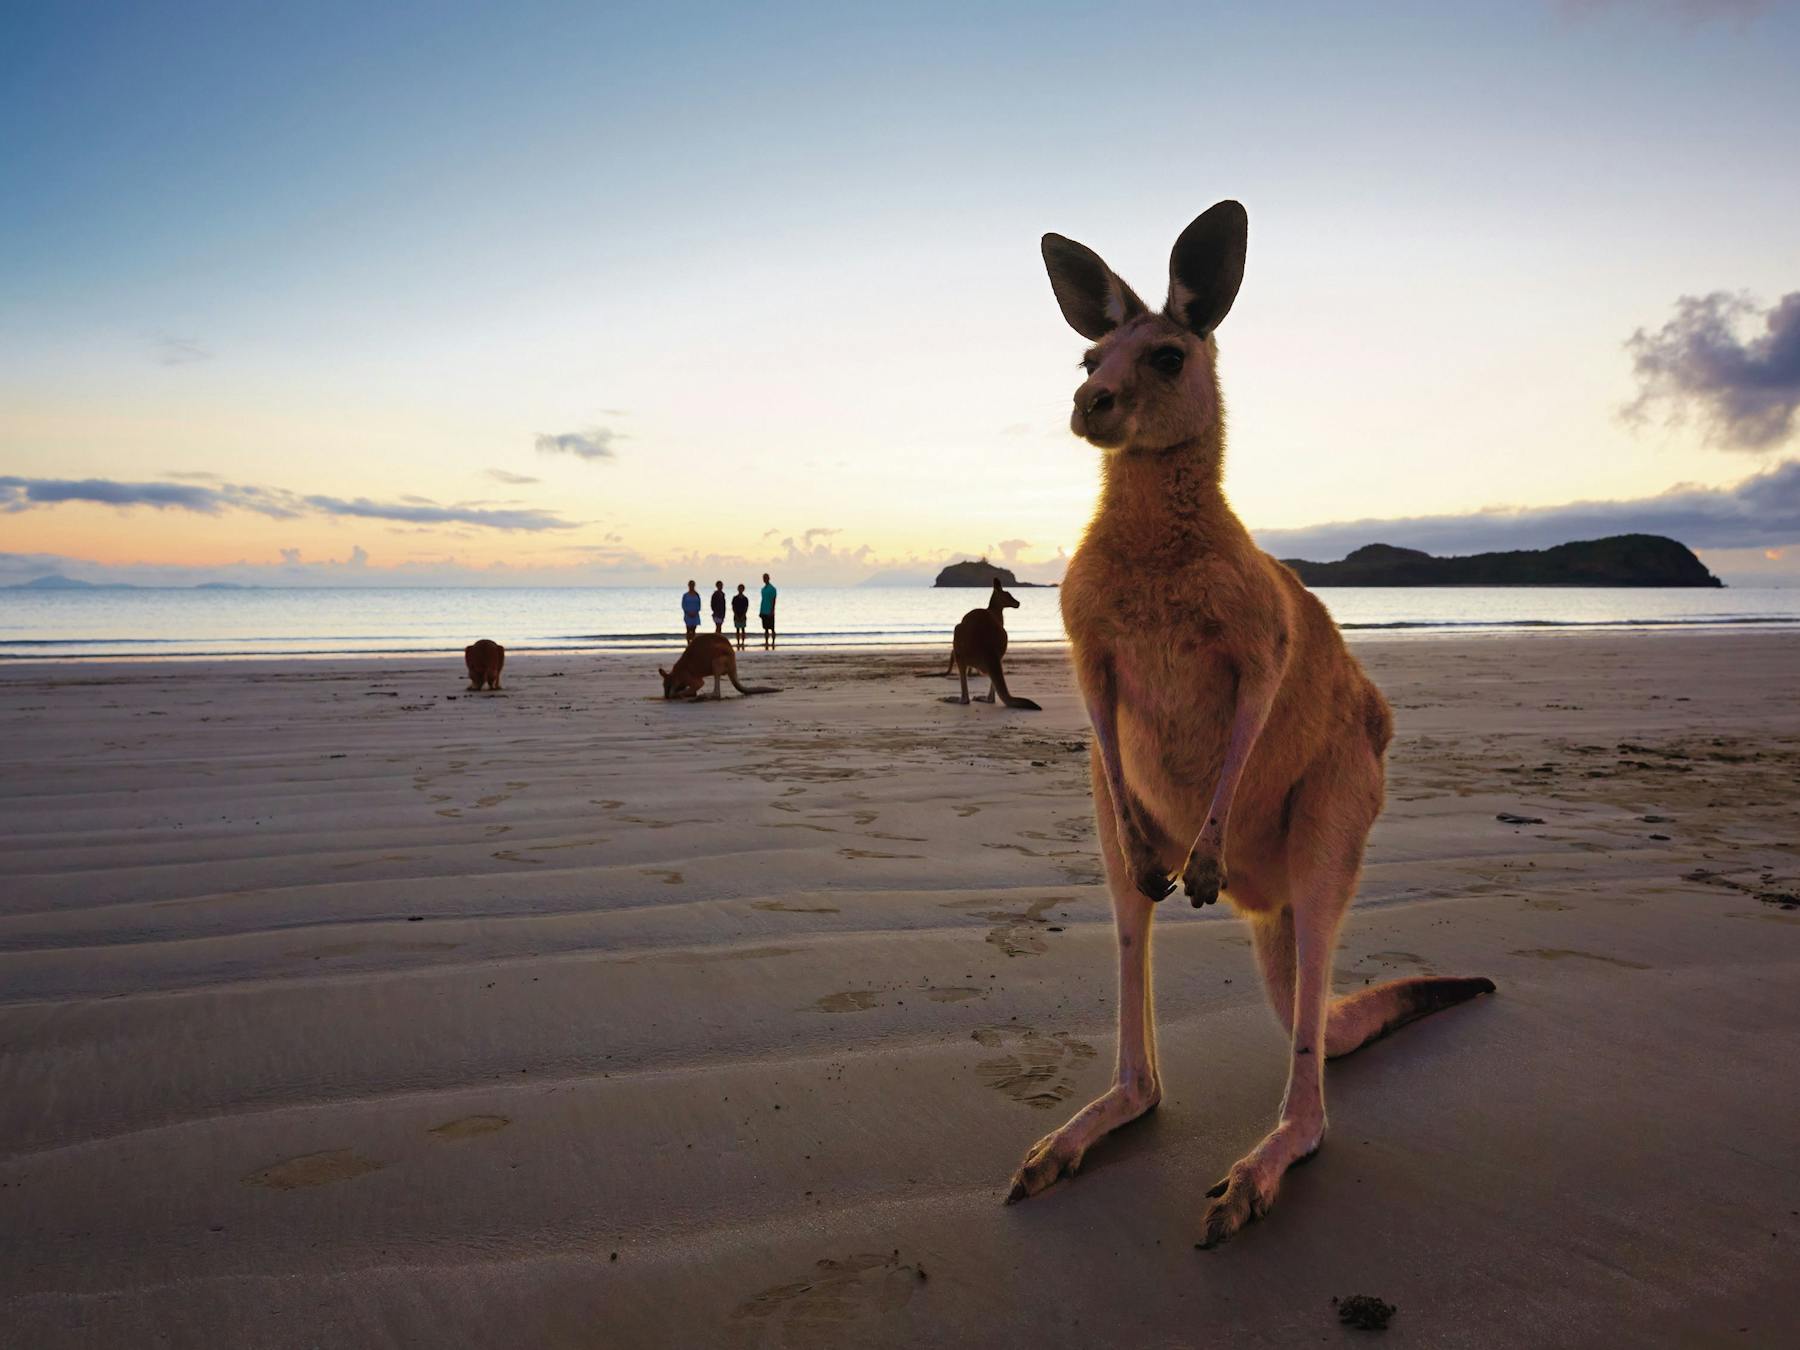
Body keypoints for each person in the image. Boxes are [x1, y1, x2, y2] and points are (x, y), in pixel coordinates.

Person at [758, 572, 778, 650]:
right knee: (765, 628)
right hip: (764, 611)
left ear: (768, 578)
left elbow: (774, 600)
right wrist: (760, 611)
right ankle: (766, 642)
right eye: (764, 578)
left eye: (766, 578)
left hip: (770, 611)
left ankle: (773, 642)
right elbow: (762, 600)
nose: (765, 579)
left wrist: (772, 610)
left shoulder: (772, 589)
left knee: (772, 628)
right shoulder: (763, 589)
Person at [731, 583, 750, 650]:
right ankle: (738, 642)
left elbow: (746, 608)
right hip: (736, 614)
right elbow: (733, 607)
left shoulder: (745, 598)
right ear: (738, 589)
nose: (740, 590)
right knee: (737, 629)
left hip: (743, 615)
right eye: (739, 588)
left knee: (743, 629)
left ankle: (743, 642)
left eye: (742, 588)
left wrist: (743, 615)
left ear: (743, 589)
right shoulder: (735, 598)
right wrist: (735, 615)